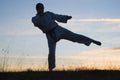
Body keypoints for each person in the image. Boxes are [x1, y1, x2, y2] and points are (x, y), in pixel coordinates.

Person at [32, 3, 101, 71]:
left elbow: (57, 16)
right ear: (37, 9)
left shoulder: (48, 14)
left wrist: (66, 17)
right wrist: (40, 15)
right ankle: (50, 69)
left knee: (74, 36)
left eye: (42, 8)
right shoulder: (35, 18)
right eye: (40, 8)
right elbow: (36, 23)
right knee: (51, 52)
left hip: (58, 29)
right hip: (50, 35)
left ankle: (92, 40)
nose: (42, 9)